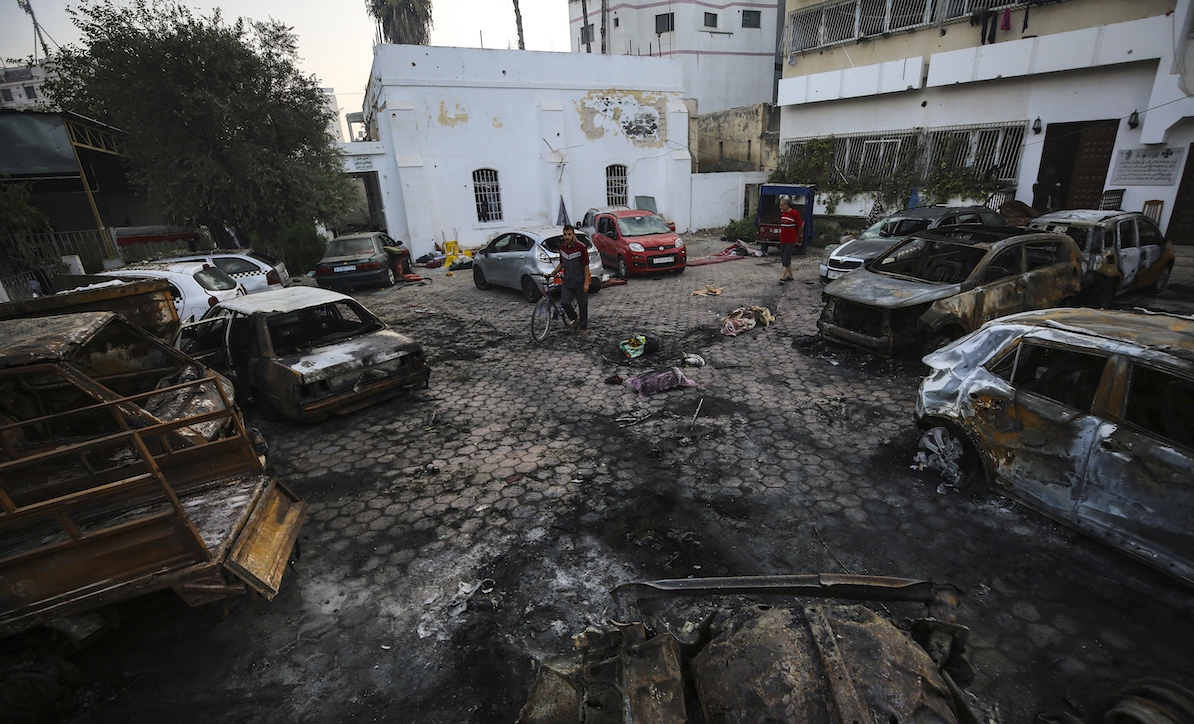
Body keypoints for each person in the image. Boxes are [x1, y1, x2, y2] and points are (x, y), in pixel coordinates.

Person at [549, 225, 591, 336]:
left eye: (569, 234)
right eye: (565, 234)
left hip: (579, 282)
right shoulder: (562, 247)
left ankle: (583, 329)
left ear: (573, 234)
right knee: (565, 302)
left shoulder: (581, 247)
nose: (567, 237)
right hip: (567, 281)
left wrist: (586, 283)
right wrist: (552, 274)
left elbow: (586, 266)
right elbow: (561, 264)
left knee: (582, 305)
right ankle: (575, 319)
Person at [778, 197, 804, 284]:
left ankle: (782, 277)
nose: (780, 207)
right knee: (784, 258)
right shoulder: (783, 214)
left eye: (782, 205)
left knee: (786, 257)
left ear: (786, 205)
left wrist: (798, 235)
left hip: (791, 239)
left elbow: (800, 225)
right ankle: (791, 275)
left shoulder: (794, 213)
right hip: (783, 239)